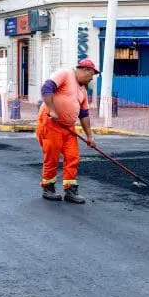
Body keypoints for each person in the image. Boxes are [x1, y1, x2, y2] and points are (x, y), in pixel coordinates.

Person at [38, 58, 99, 204]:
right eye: (91, 75)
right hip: (51, 123)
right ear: (85, 70)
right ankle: (48, 187)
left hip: (68, 128)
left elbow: (84, 114)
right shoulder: (65, 74)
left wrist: (90, 136)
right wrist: (52, 110)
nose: (91, 78)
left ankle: (70, 190)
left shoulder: (82, 90)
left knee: (73, 157)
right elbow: (46, 88)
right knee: (52, 157)